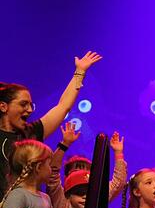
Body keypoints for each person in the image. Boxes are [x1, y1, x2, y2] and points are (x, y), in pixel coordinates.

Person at [0, 51, 102, 196]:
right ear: (3, 107)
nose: (29, 110)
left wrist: (80, 72)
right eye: (23, 104)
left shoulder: (31, 133)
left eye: (31, 105)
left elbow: (63, 107)